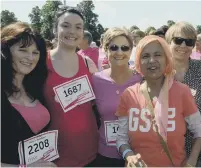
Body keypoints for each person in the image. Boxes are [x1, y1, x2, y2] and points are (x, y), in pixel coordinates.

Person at [115, 35, 201, 167]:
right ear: (138, 62)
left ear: (167, 59)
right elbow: (121, 138)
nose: (152, 60)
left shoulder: (182, 92)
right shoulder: (129, 94)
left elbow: (199, 132)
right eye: (145, 56)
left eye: (158, 55)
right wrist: (129, 156)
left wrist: (191, 162)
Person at [43, 7, 99, 167]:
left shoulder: (88, 64)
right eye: (66, 25)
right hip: (56, 159)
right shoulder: (40, 64)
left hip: (92, 152)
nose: (72, 31)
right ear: (55, 29)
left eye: (78, 27)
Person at [1, 22, 56, 167]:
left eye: (35, 52)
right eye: (23, 50)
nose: (30, 57)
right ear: (5, 50)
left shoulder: (35, 88)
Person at [91, 27, 142, 167]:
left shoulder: (141, 79)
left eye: (125, 48)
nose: (119, 52)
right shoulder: (95, 80)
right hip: (105, 155)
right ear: (105, 49)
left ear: (131, 51)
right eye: (114, 47)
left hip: (137, 155)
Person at [165, 21, 201, 166]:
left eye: (189, 41)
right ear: (168, 42)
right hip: (164, 152)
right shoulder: (157, 73)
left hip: (197, 151)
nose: (183, 46)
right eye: (178, 40)